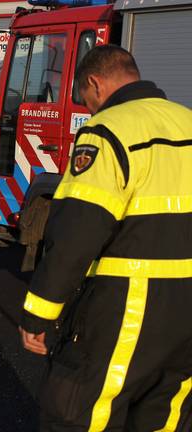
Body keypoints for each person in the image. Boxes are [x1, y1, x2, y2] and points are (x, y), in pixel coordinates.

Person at [19, 45, 192, 431]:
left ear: (95, 84)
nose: (90, 110)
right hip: (186, 317)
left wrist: (39, 314)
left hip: (129, 307)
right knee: (166, 414)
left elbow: (76, 235)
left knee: (82, 410)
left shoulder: (106, 131)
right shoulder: (188, 122)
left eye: (86, 101)